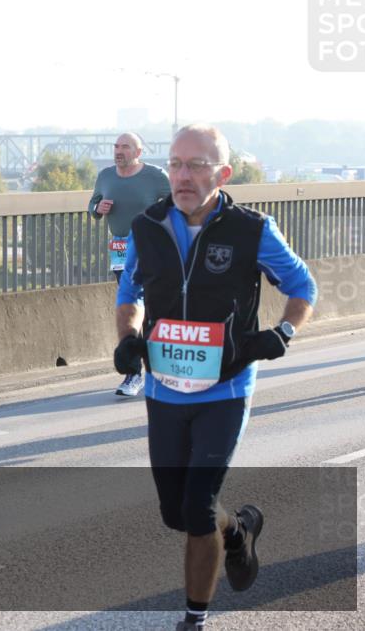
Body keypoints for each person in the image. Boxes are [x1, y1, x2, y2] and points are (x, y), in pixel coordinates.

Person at [113, 124, 316, 630]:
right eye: (176, 164)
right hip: (164, 386)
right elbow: (129, 292)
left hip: (225, 386)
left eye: (196, 165)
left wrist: (284, 331)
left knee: (198, 508)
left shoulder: (252, 230)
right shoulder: (147, 226)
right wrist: (129, 338)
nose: (182, 176)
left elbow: (301, 283)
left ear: (222, 173)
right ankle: (239, 528)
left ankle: (193, 619)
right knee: (176, 513)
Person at [88, 132, 170, 397]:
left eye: (124, 147)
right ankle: (135, 373)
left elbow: (177, 204)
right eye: (116, 146)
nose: (118, 151)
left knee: (148, 308)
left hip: (150, 248)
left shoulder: (155, 176)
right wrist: (98, 208)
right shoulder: (106, 176)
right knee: (129, 308)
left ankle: (151, 370)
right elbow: (93, 203)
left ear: (138, 152)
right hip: (121, 249)